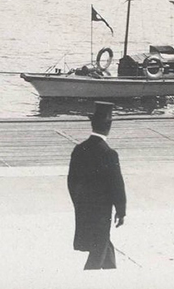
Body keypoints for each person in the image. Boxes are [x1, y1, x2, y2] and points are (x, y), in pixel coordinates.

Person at [67, 101, 127, 270]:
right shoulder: (109, 154)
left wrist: (78, 201)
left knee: (102, 242)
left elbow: (71, 180)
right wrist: (121, 211)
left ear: (92, 124)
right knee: (99, 246)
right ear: (109, 127)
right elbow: (117, 185)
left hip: (83, 205)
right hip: (101, 209)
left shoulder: (79, 149)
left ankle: (111, 271)